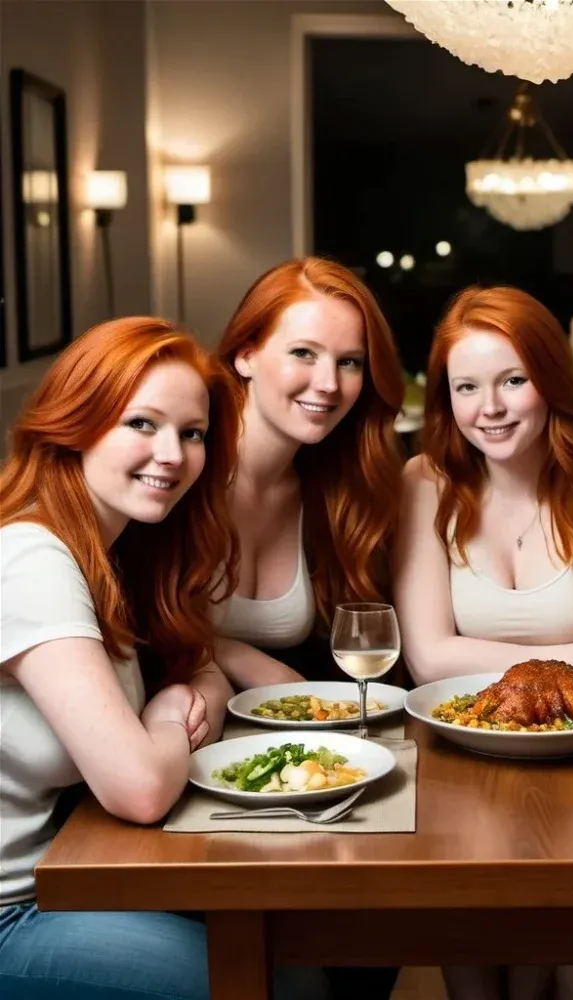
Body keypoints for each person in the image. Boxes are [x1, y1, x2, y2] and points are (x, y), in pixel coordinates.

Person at [395, 285, 573, 1000]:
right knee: (471, 950)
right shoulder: (424, 483)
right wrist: (570, 670)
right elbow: (424, 657)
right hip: (456, 758)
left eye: (514, 379)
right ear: (446, 398)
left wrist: (485, 665)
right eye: (467, 387)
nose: (492, 407)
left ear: (550, 379)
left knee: (569, 961)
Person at [0, 318, 240, 999]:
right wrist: (170, 722)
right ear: (77, 421)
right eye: (142, 423)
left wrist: (185, 704)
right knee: (260, 975)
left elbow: (203, 670)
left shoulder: (113, 549)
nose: (172, 453)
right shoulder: (31, 557)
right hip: (10, 913)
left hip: (65, 874)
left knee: (293, 946)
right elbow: (138, 788)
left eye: (192, 433)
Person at [212, 257, 405, 688]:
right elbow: (130, 627)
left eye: (350, 362)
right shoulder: (177, 468)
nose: (329, 383)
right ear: (246, 355)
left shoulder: (339, 488)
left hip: (286, 741)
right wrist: (238, 658)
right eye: (304, 353)